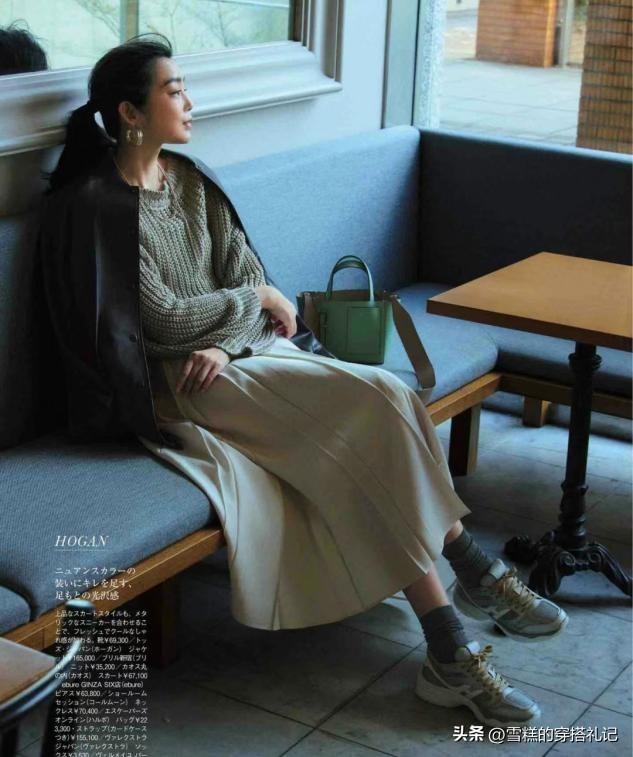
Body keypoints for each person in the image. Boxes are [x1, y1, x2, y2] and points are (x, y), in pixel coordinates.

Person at [40, 34, 569, 729]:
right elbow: (163, 324)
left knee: (387, 395)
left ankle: (458, 615)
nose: (190, 101)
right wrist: (248, 308)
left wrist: (229, 336)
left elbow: (252, 281)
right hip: (173, 385)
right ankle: (463, 602)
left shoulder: (190, 180)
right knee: (365, 427)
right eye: (173, 89)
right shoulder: (97, 206)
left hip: (234, 358)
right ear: (129, 113)